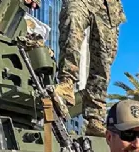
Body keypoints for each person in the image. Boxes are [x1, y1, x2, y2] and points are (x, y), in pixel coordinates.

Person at [53, 0, 126, 136]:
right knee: (72, 23)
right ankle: (66, 83)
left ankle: (95, 117)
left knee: (103, 61)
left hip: (108, 8)